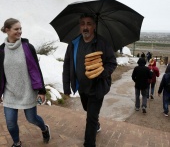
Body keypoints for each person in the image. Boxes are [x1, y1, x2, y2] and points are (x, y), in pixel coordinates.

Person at [63, 13, 117, 147]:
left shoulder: (102, 43)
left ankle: (89, 143)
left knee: (90, 118)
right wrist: (66, 86)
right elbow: (67, 63)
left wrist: (102, 72)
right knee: (88, 109)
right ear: (79, 26)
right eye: (82, 23)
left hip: (97, 87)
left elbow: (112, 62)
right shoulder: (74, 43)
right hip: (81, 87)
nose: (85, 27)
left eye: (89, 24)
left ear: (94, 26)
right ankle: (96, 121)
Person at [0, 18, 50, 147]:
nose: (19, 32)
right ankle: (17, 143)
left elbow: (36, 70)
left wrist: (41, 90)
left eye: (20, 29)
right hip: (10, 92)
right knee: (10, 123)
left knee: (32, 119)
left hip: (27, 91)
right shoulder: (1, 51)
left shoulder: (27, 47)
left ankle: (44, 128)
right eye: (16, 29)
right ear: (7, 30)